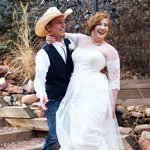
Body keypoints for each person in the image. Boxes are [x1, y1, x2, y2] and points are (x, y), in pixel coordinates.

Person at [47, 11, 124, 150]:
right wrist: (49, 38)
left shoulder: (110, 50)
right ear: (92, 26)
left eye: (106, 25)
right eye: (99, 24)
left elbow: (114, 81)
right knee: (75, 132)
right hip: (76, 92)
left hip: (96, 92)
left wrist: (112, 105)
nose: (103, 28)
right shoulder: (80, 39)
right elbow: (58, 34)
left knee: (89, 133)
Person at [34, 7, 74, 150]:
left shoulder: (71, 44)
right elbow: (39, 80)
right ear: (49, 27)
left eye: (63, 22)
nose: (63, 25)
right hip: (54, 100)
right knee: (55, 137)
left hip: (72, 98)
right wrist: (42, 94)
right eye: (58, 22)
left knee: (73, 137)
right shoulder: (43, 53)